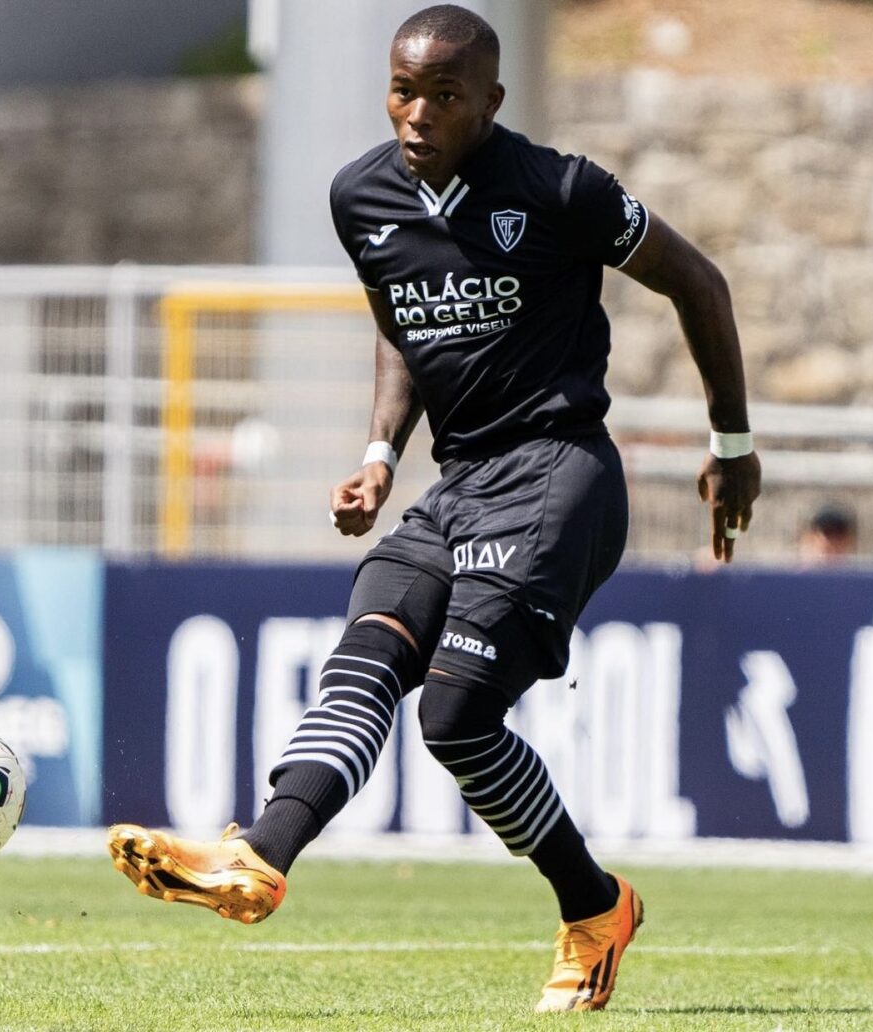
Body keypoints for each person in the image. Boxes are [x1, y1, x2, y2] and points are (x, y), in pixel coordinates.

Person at [108, 4, 762, 1013]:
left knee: (454, 717)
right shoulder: (361, 195)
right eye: (403, 91)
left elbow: (700, 283)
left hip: (556, 476)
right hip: (455, 487)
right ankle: (261, 858)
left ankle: (595, 910)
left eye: (444, 96)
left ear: (490, 102)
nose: (417, 114)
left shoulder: (561, 190)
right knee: (367, 655)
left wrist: (733, 446)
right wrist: (380, 453)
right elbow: (401, 322)